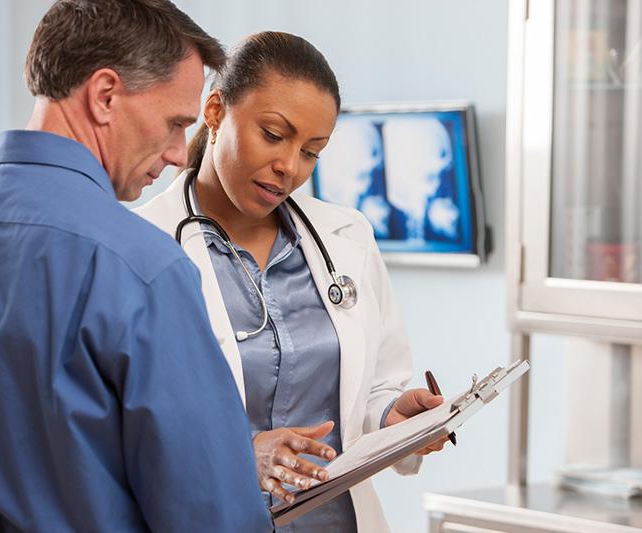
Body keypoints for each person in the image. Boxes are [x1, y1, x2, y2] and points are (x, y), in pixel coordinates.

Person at [0, 1, 272, 531]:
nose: (181, 154)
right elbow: (212, 515)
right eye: (175, 123)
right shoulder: (142, 270)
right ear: (105, 95)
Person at [135, 31, 447, 532]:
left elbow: (368, 392)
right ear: (214, 112)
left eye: (312, 151)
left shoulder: (347, 238)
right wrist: (239, 455)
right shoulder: (141, 246)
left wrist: (392, 417)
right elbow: (118, 429)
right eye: (274, 135)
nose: (289, 167)